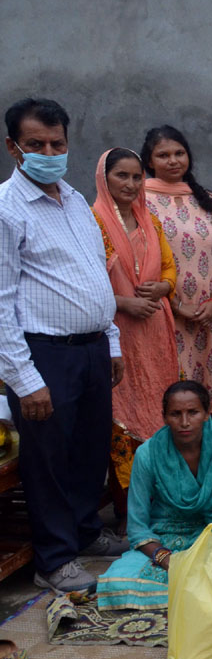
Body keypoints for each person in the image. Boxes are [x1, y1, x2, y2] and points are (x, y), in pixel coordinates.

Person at [0, 98, 128, 592]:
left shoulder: (74, 200)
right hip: (44, 353)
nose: (48, 152)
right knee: (48, 459)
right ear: (14, 148)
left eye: (57, 143)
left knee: (87, 449)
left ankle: (84, 531)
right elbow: (2, 302)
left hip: (92, 348)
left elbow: (94, 273)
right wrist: (24, 378)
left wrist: (111, 341)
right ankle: (53, 560)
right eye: (36, 145)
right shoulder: (8, 210)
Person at [96, 381, 212, 610]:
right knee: (118, 582)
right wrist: (167, 560)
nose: (184, 422)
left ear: (207, 414)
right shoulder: (148, 454)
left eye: (193, 412)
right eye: (176, 414)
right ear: (164, 417)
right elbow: (137, 527)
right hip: (173, 535)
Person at [90, 148, 179, 508]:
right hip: (117, 335)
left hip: (155, 335)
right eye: (121, 176)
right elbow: (86, 284)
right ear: (103, 178)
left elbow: (170, 270)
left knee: (160, 410)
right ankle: (128, 509)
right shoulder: (91, 222)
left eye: (136, 177)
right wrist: (124, 302)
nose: (130, 184)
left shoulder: (149, 220)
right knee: (121, 420)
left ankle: (162, 500)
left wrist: (163, 287)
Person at [141, 125, 212, 416]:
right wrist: (177, 305)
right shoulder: (140, 201)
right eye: (163, 155)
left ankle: (208, 449)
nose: (173, 160)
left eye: (179, 153)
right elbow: (141, 262)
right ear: (149, 161)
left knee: (207, 386)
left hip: (209, 314)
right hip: (165, 312)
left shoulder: (206, 199)